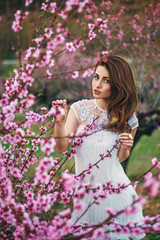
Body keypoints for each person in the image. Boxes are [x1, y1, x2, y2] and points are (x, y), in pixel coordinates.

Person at [52, 55, 145, 239]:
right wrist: (59, 122)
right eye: (96, 77)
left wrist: (126, 147)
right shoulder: (79, 110)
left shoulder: (128, 117)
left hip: (118, 195)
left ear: (118, 84)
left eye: (106, 80)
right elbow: (61, 148)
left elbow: (119, 158)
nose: (98, 85)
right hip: (86, 198)